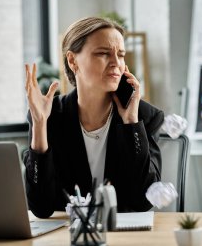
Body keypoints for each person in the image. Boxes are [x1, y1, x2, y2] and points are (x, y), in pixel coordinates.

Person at [23, 17, 164, 218]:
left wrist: (131, 124)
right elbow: (41, 207)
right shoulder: (49, 116)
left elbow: (143, 201)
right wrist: (39, 125)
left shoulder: (145, 116)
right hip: (68, 237)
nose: (116, 63)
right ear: (73, 61)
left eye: (121, 55)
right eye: (103, 53)